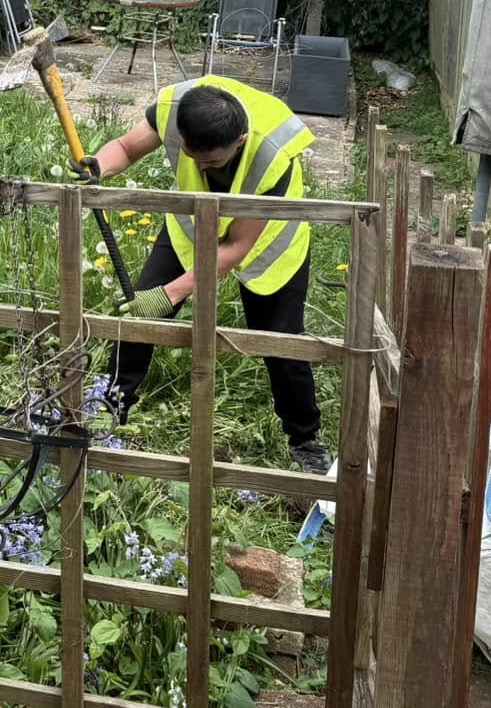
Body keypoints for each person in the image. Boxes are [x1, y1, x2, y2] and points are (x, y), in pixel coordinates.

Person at [80, 75, 328, 475]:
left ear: (240, 141)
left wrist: (170, 294)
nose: (199, 167)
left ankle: (305, 440)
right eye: (191, 156)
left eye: (210, 162)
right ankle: (108, 408)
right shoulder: (177, 108)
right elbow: (125, 147)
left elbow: (234, 248)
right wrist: (98, 166)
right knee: (139, 317)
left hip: (268, 246)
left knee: (281, 343)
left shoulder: (272, 154)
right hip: (194, 227)